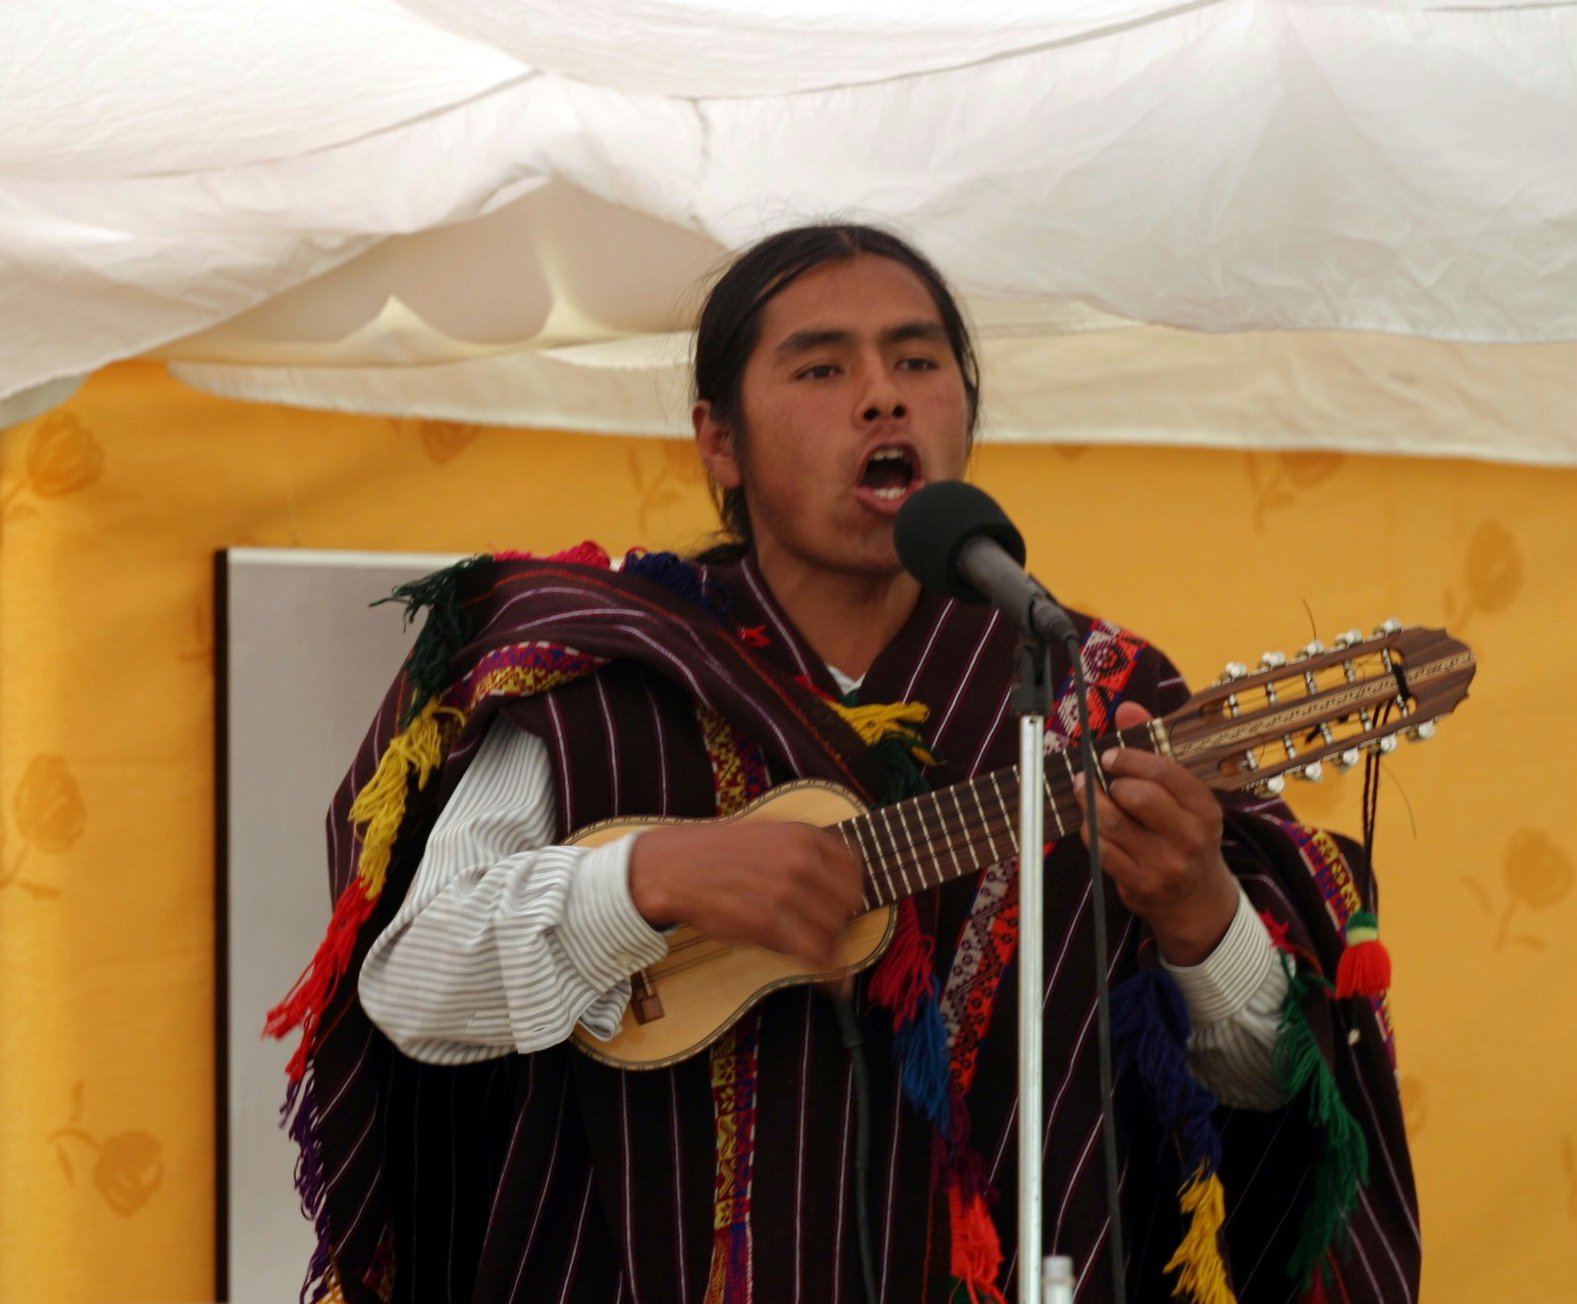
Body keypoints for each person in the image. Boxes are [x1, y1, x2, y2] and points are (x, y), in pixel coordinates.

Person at [269, 224, 1420, 1304]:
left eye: (917, 359)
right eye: (820, 369)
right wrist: (645, 879)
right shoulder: (605, 676)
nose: (881, 392)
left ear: (964, 408)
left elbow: (1271, 1100)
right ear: (717, 436)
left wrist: (1198, 919)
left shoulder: (1100, 693)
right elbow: (411, 986)